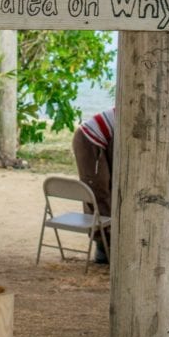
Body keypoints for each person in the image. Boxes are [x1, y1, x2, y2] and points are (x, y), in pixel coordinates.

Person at [71, 107, 114, 264]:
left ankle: (108, 241)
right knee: (98, 193)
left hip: (103, 140)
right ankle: (104, 245)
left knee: (110, 189)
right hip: (89, 139)